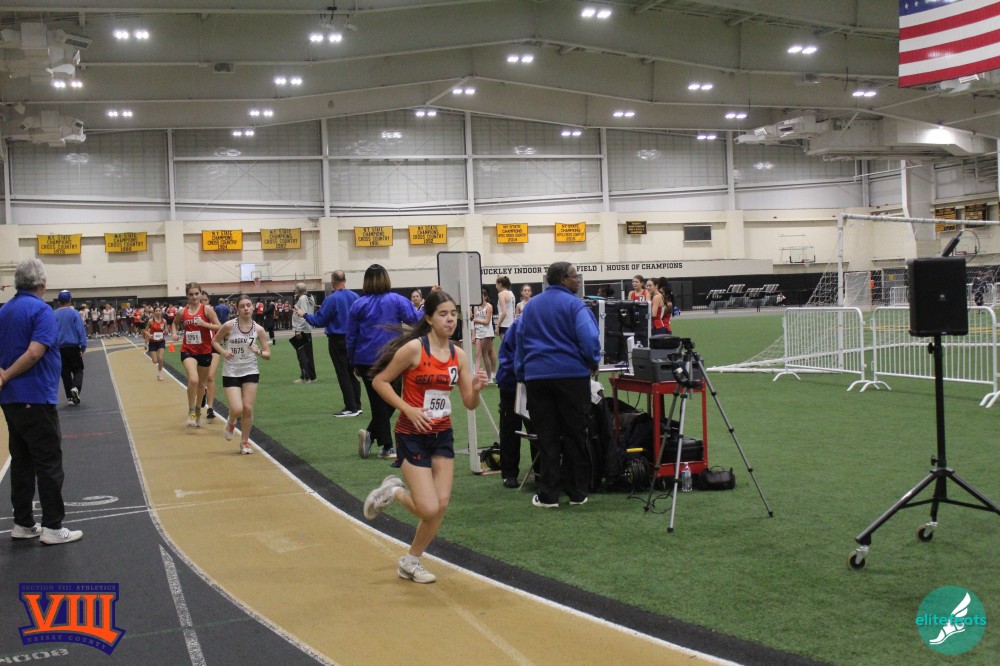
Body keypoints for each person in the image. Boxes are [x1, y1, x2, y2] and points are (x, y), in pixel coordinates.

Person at [360, 290, 488, 584]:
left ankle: (410, 562)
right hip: (412, 434)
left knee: (439, 506)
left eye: (453, 314)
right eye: (443, 314)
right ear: (429, 318)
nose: (450, 319)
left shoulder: (459, 355)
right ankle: (393, 491)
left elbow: (469, 403)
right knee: (428, 507)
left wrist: (476, 390)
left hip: (442, 435)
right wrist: (408, 408)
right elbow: (380, 381)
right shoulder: (415, 349)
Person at [0, 259, 83, 545]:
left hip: (11, 399)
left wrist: (4, 376)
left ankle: (23, 523)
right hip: (34, 395)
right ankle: (52, 527)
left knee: (21, 460)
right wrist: (7, 374)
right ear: (42, 283)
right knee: (48, 462)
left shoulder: (5, 310)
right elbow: (35, 352)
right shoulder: (41, 310)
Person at [515, 261, 601, 508]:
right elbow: (589, 338)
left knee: (547, 437)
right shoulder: (576, 305)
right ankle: (577, 493)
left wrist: (522, 372)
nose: (578, 280)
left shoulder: (530, 307)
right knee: (575, 435)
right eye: (575, 276)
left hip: (538, 378)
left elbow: (520, 340)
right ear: (563, 279)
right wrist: (593, 360)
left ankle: (548, 495)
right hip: (571, 377)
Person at [347, 264, 421, 460]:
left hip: (365, 358)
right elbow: (415, 319)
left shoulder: (358, 304)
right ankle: (386, 445)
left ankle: (372, 434)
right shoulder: (397, 300)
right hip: (391, 358)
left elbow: (351, 335)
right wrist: (429, 305)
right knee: (390, 400)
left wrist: (353, 360)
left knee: (379, 402)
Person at [213, 294, 271, 455]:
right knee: (237, 408)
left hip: (250, 370)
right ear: (237, 309)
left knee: (247, 407)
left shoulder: (258, 329)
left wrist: (259, 352)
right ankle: (231, 420)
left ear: (253, 307)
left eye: (248, 305)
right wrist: (224, 352)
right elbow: (215, 341)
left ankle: (244, 442)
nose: (246, 308)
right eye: (242, 306)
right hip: (231, 371)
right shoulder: (229, 326)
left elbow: (268, 354)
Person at [299, 270, 362, 418]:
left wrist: (304, 315)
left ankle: (351, 407)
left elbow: (319, 321)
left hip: (337, 340)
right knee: (352, 373)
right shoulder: (356, 297)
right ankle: (357, 405)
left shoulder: (332, 299)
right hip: (354, 339)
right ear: (345, 280)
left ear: (333, 281)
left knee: (343, 373)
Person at [171, 282, 222, 428]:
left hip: (204, 351)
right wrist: (174, 333)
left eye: (196, 294)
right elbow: (174, 323)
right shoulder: (182, 312)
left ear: (200, 294)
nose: (194, 297)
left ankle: (198, 409)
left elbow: (219, 327)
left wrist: (205, 324)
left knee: (201, 384)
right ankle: (191, 411)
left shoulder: (207, 310)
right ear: (187, 295)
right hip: (188, 350)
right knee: (193, 379)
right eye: (191, 294)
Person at [496, 316, 536, 488]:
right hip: (511, 383)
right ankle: (509, 473)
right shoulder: (519, 325)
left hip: (535, 383)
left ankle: (540, 471)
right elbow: (506, 357)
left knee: (537, 428)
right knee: (510, 428)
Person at [54, 290, 87, 406]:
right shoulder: (74, 313)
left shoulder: (54, 314)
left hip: (59, 348)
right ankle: (76, 387)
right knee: (78, 370)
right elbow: (80, 330)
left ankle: (70, 397)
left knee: (65, 373)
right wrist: (83, 346)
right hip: (73, 346)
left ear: (59, 301)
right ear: (70, 300)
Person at [200, 292, 221, 420]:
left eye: (205, 300)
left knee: (211, 376)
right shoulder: (190, 313)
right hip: (198, 348)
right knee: (200, 379)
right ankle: (202, 392)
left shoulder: (211, 312)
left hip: (213, 346)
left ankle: (210, 408)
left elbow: (219, 327)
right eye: (200, 300)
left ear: (208, 301)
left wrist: (205, 324)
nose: (203, 302)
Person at [291, 282, 317, 384]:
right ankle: (312, 376)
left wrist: (298, 329)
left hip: (301, 330)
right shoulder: (309, 297)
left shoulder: (302, 299)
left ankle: (305, 377)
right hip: (307, 329)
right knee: (308, 354)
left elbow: (302, 314)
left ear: (297, 290)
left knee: (302, 355)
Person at [471, 288, 495, 381]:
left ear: (485, 297)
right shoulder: (475, 307)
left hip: (487, 332)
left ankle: (489, 376)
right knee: (477, 354)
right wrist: (474, 335)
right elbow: (474, 322)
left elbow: (486, 321)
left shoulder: (489, 306)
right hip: (478, 332)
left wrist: (477, 320)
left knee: (485, 353)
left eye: (481, 296)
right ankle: (476, 375)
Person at [144, 305, 169, 380]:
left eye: (159, 311)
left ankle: (159, 374)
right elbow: (145, 330)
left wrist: (166, 331)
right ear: (154, 312)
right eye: (156, 311)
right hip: (153, 342)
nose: (158, 312)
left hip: (161, 341)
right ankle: (156, 357)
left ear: (161, 312)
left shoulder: (164, 321)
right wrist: (149, 335)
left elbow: (166, 330)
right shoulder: (151, 321)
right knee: (155, 361)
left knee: (161, 359)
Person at [495, 276, 515, 340]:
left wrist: (497, 326)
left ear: (500, 284)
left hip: (504, 325)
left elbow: (504, 312)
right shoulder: (511, 294)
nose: (496, 286)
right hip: (512, 324)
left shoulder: (501, 294)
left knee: (504, 345)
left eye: (496, 284)